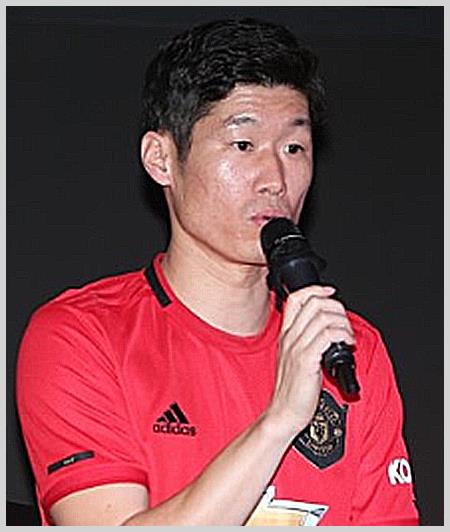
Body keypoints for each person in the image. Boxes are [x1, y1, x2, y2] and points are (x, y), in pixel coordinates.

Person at [16, 18, 419, 526]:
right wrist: (279, 420)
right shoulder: (81, 336)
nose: (275, 180)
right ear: (161, 159)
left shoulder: (350, 349)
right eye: (243, 145)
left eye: (294, 148)